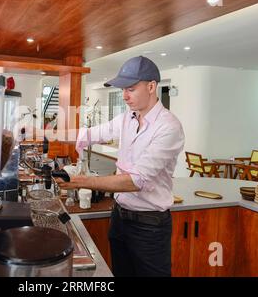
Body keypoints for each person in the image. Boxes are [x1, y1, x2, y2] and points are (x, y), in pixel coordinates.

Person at [56, 56, 185, 277]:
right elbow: (90, 134)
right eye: (124, 89)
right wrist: (43, 134)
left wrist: (80, 181)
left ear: (151, 86)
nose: (124, 96)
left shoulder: (168, 127)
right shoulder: (127, 117)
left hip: (149, 225)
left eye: (131, 89)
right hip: (119, 218)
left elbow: (136, 180)